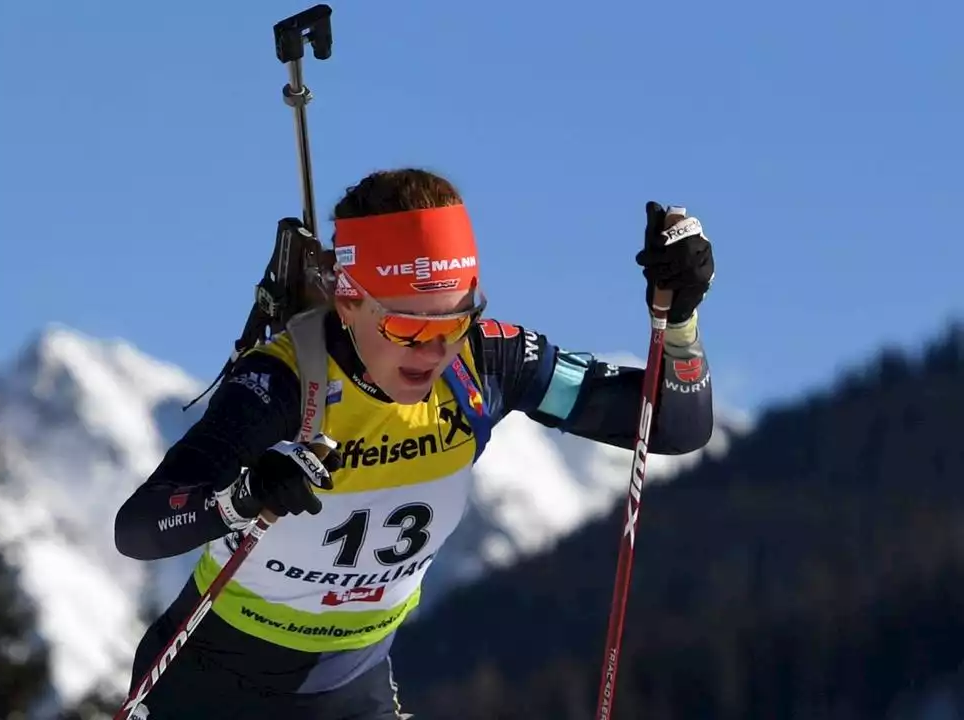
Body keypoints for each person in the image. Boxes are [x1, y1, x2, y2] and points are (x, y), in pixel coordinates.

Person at [113, 168, 716, 719]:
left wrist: (681, 320)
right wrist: (239, 500)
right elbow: (138, 527)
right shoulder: (283, 383)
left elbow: (669, 426)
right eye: (408, 328)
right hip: (208, 686)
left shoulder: (487, 364)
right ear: (349, 299)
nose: (434, 351)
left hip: (352, 692)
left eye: (455, 321)